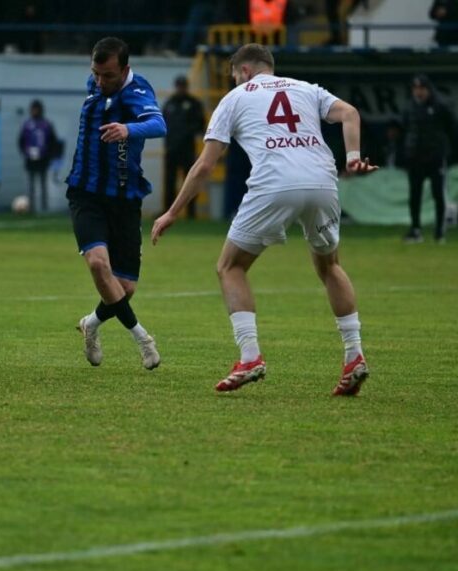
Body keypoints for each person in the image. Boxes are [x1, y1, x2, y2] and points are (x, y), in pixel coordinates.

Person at [151, 43, 376, 396]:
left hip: (275, 183)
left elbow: (206, 165)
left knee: (230, 266)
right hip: (322, 180)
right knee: (330, 265)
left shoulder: (236, 97)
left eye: (233, 76)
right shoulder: (306, 88)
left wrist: (172, 211)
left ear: (243, 72)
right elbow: (349, 113)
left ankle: (250, 356)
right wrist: (352, 157)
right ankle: (354, 356)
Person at [67, 37, 166, 371]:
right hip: (85, 193)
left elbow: (159, 124)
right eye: (95, 74)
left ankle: (92, 324)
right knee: (98, 265)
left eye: (108, 76)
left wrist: (128, 128)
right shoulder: (95, 85)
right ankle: (142, 338)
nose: (100, 81)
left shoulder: (137, 92)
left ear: (124, 69)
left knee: (124, 288)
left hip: (124, 199)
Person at [402, 74, 455, 243]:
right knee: (414, 195)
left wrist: (441, 148)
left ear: (428, 89)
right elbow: (406, 128)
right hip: (415, 158)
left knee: (438, 194)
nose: (418, 92)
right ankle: (415, 229)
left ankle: (439, 232)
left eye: (422, 89)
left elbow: (452, 127)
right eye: (415, 89)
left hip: (435, 158)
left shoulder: (440, 106)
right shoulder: (409, 107)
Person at [162, 75, 206, 219]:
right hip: (172, 149)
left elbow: (200, 125)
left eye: (183, 86)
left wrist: (186, 133)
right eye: (179, 86)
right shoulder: (169, 104)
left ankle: (191, 213)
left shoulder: (194, 104)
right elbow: (163, 125)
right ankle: (167, 211)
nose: (181, 88)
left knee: (190, 180)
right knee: (170, 181)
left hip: (187, 149)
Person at [17, 99, 60, 213]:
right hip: (30, 158)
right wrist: (25, 152)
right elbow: (21, 140)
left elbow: (52, 141)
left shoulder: (46, 124)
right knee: (31, 183)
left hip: (43, 158)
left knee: (43, 183)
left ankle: (44, 206)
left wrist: (49, 155)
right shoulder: (27, 125)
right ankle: (31, 207)